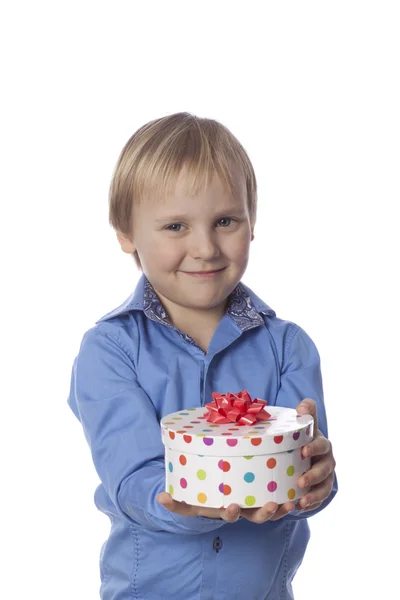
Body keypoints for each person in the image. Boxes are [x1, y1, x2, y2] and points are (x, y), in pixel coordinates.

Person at [67, 112, 337, 600]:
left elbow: (302, 473)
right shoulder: (108, 351)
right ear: (126, 233)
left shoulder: (288, 346)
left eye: (225, 221)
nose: (205, 247)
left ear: (251, 224)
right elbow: (133, 478)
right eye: (175, 226)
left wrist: (316, 480)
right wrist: (199, 500)